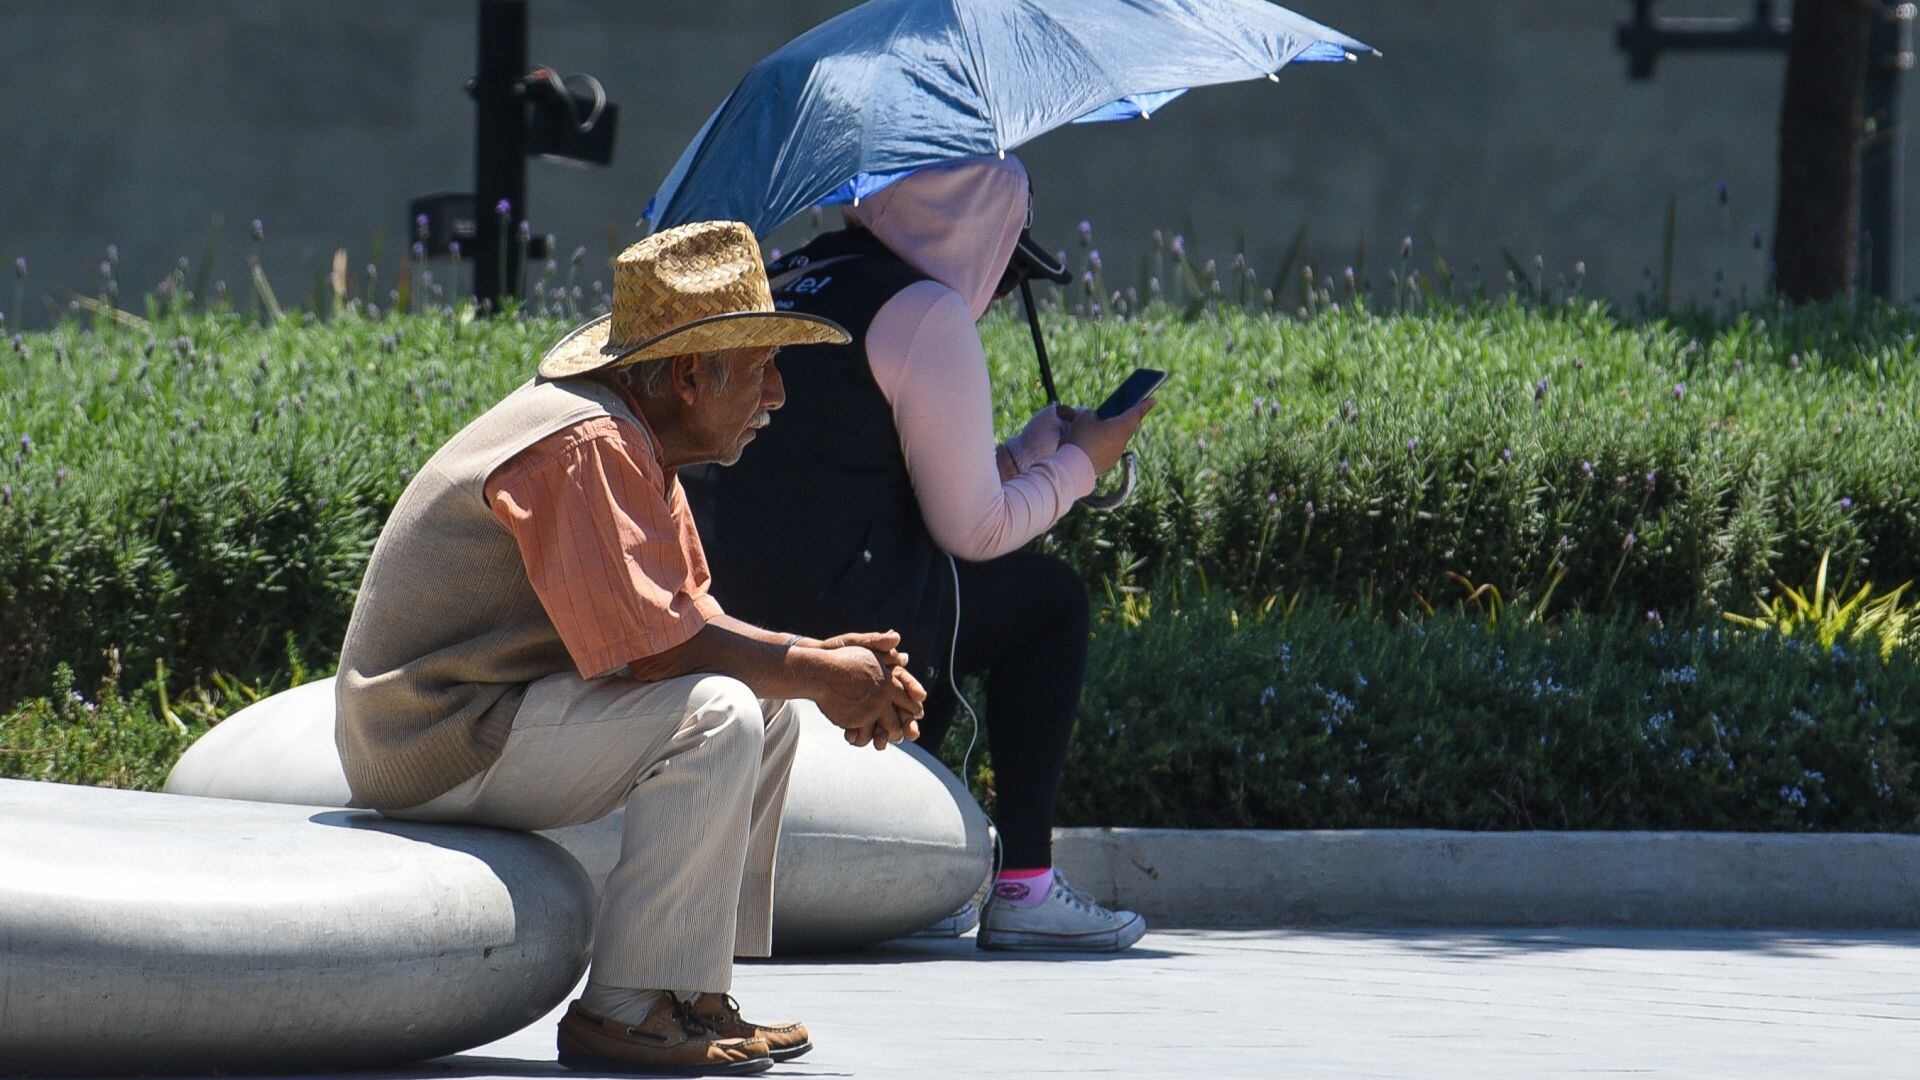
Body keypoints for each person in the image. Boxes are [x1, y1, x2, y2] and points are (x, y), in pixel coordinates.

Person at [334, 221, 928, 1076]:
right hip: (431, 740)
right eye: (761, 367)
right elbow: (657, 653)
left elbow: (683, 621)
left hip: (488, 716)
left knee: (760, 706)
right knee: (721, 713)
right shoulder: (588, 443)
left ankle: (688, 994)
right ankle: (626, 1010)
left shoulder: (635, 442)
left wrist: (827, 666)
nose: (778, 395)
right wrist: (822, 671)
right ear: (690, 375)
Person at [683, 155, 1154, 952]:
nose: (1003, 290)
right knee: (1047, 603)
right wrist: (1084, 465)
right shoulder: (924, 309)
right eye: (1009, 256)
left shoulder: (791, 272)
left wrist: (1020, 457)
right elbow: (972, 531)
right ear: (971, 227)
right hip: (841, 613)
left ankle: (933, 868)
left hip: (730, 605)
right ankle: (1025, 885)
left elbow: (854, 470)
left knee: (948, 586)